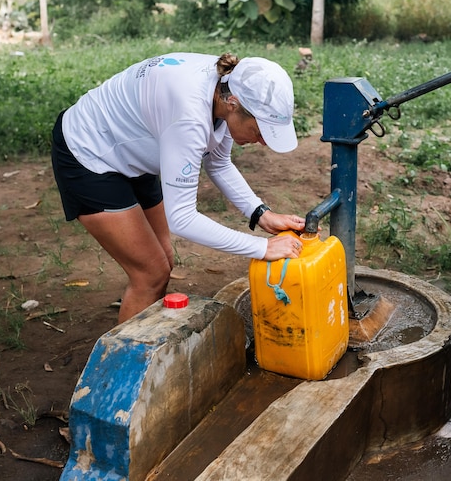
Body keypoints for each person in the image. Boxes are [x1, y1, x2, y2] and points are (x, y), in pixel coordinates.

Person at [51, 53, 306, 324]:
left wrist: (261, 214)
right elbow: (182, 219)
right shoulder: (190, 115)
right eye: (259, 131)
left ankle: (152, 343)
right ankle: (129, 363)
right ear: (233, 104)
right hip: (89, 153)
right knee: (150, 273)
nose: (264, 142)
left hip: (136, 145)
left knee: (164, 260)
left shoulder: (227, 85)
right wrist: (262, 248)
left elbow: (218, 163)